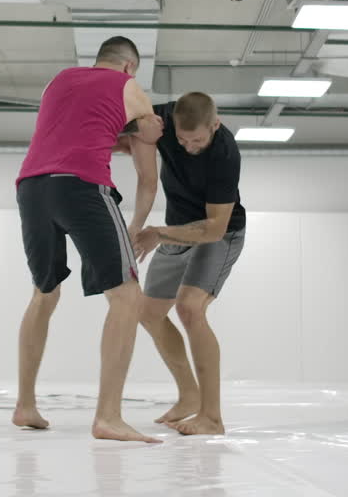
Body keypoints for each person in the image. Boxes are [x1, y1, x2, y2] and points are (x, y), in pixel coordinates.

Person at [13, 36, 164, 443]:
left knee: (43, 294)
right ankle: (109, 417)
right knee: (127, 295)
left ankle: (25, 405)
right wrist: (136, 224)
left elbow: (69, 130)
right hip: (80, 187)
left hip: (30, 186)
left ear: (98, 60)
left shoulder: (57, 81)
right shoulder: (131, 90)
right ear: (130, 67)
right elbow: (149, 180)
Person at [131, 92, 247, 436]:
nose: (189, 147)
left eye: (197, 140)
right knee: (147, 312)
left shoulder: (225, 153)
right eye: (181, 140)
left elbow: (214, 228)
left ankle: (212, 417)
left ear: (216, 124)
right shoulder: (162, 118)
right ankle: (189, 396)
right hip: (175, 231)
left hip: (218, 233)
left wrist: (158, 235)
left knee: (190, 308)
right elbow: (123, 127)